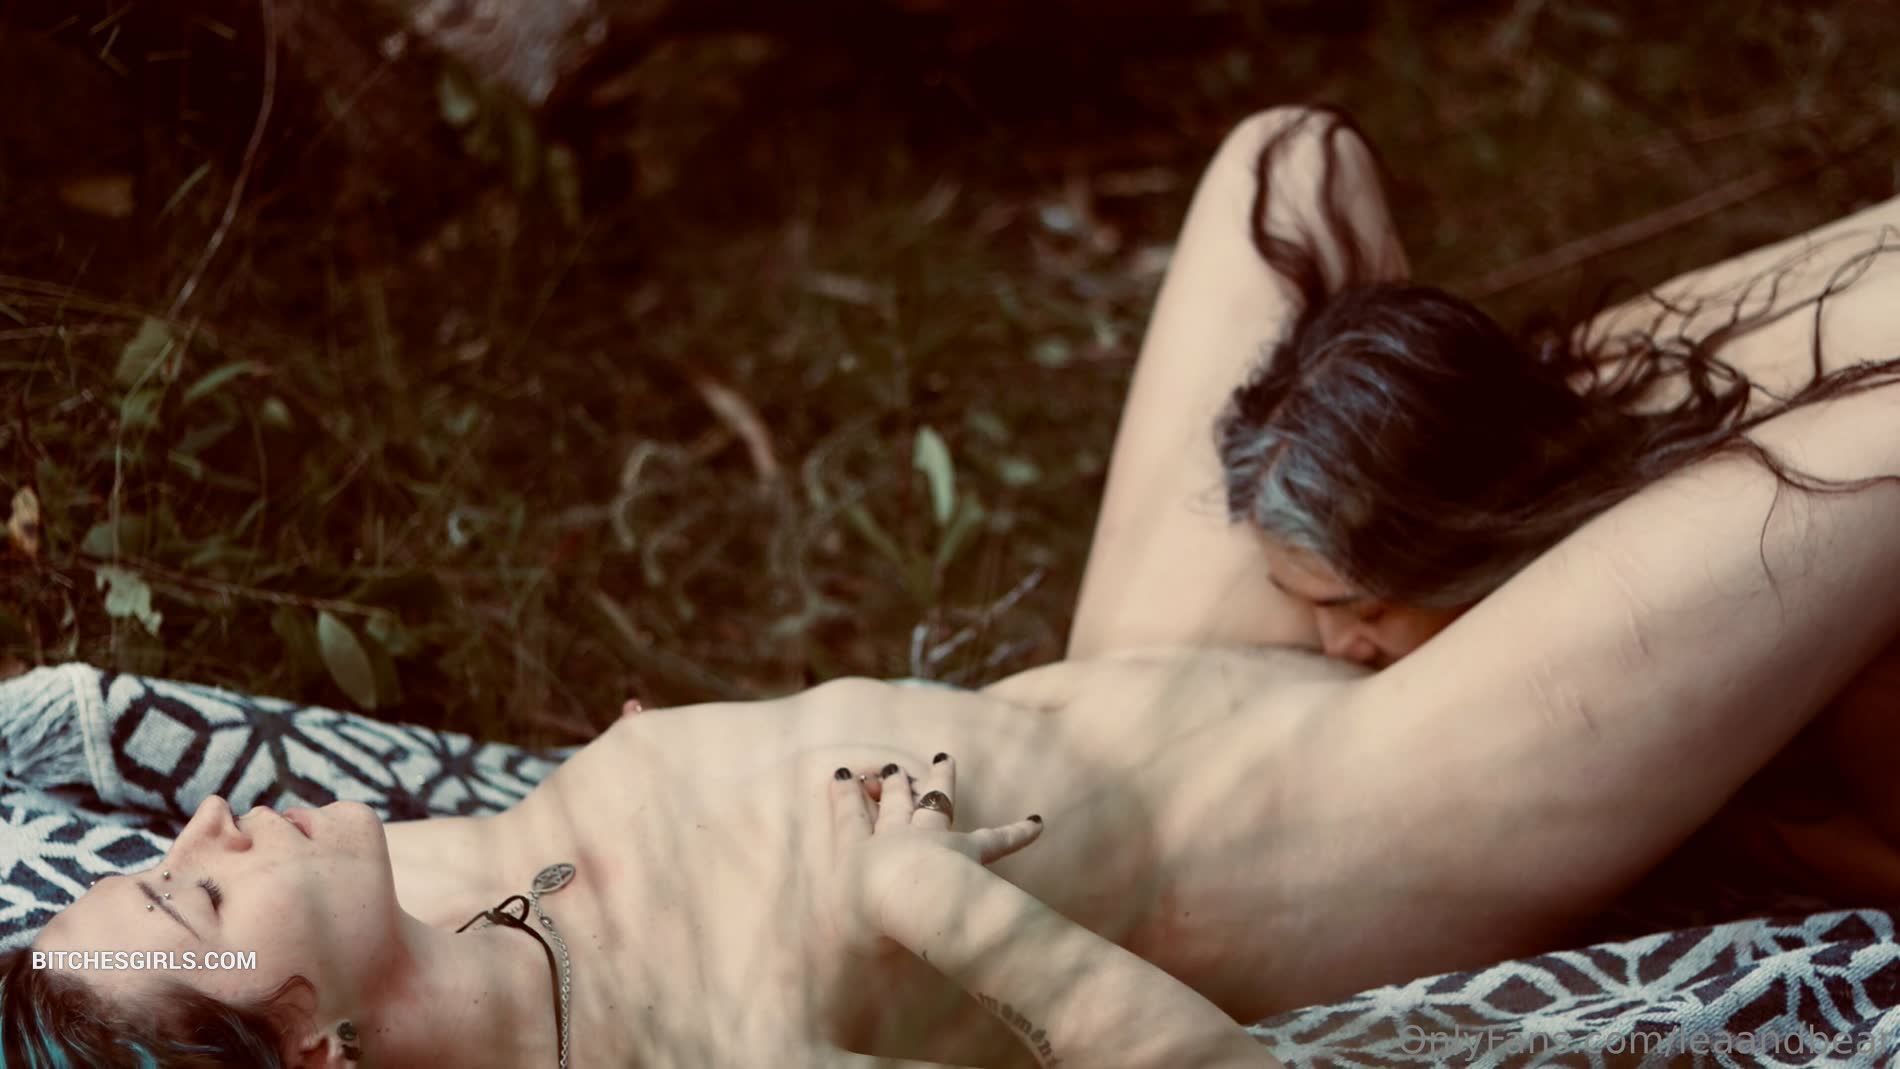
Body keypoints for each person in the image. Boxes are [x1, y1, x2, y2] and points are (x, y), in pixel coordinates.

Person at [8, 107, 1900, 1067]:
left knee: (1290, 170)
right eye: (199, 889)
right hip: (1358, 811)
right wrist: (937, 902)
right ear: (316, 1050)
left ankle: (1540, 548)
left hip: (1139, 676)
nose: (212, 821)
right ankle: (1589, 610)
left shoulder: (396, 883)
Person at [1069, 104, 1900, 898]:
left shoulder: (1746, 557)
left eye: (1360, 607)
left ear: (1461, 534)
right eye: (1306, 603)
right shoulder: (1568, 420)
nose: (1338, 645)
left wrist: (1711, 808)